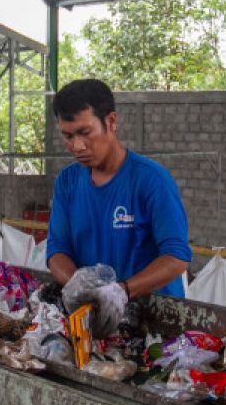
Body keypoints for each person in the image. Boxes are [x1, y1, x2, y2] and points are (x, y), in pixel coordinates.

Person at [46, 79, 192, 336]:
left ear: (111, 122)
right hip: (95, 319)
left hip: (155, 325)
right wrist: (78, 285)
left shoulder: (151, 180)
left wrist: (121, 291)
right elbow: (57, 250)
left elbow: (177, 256)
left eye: (84, 133)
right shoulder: (67, 183)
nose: (77, 146)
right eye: (68, 136)